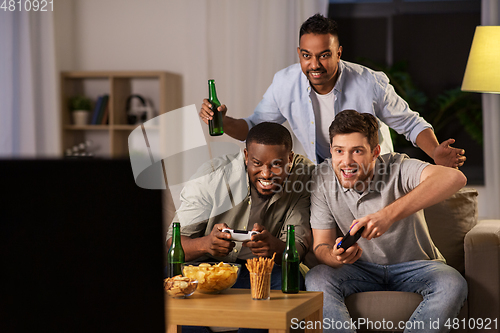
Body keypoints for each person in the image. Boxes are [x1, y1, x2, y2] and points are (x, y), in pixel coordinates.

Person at [199, 14, 466, 167]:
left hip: (372, 172)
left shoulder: (369, 82)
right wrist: (222, 122)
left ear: (338, 53)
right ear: (299, 54)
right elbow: (254, 127)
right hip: (326, 174)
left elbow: (409, 123)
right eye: (307, 55)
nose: (314, 64)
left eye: (324, 55)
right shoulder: (284, 83)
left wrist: (435, 153)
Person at [304, 109, 467, 333]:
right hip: (359, 269)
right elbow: (321, 245)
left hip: (416, 266)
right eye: (339, 151)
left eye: (357, 151)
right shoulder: (322, 178)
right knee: (316, 277)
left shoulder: (398, 166)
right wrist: (335, 256)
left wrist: (387, 216)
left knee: (452, 283)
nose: (346, 161)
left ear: (375, 152)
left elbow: (455, 177)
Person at [166, 122, 314, 291]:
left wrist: (273, 246)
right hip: (208, 267)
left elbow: (298, 247)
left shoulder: (303, 175)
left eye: (276, 164)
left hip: (263, 269)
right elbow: (174, 244)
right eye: (257, 163)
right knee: (170, 276)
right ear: (246, 156)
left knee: (291, 281)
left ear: (290, 159)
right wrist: (207, 244)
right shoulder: (212, 176)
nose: (266, 174)